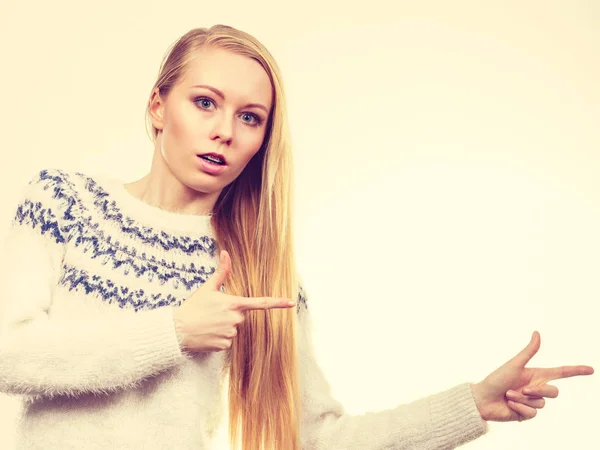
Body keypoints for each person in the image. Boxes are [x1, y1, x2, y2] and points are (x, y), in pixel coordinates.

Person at [0, 24, 593, 450]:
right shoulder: (65, 203)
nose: (224, 131)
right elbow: (8, 354)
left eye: (250, 117)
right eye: (204, 103)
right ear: (158, 106)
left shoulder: (261, 273)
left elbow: (314, 439)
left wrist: (471, 406)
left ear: (263, 137)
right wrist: (174, 332)